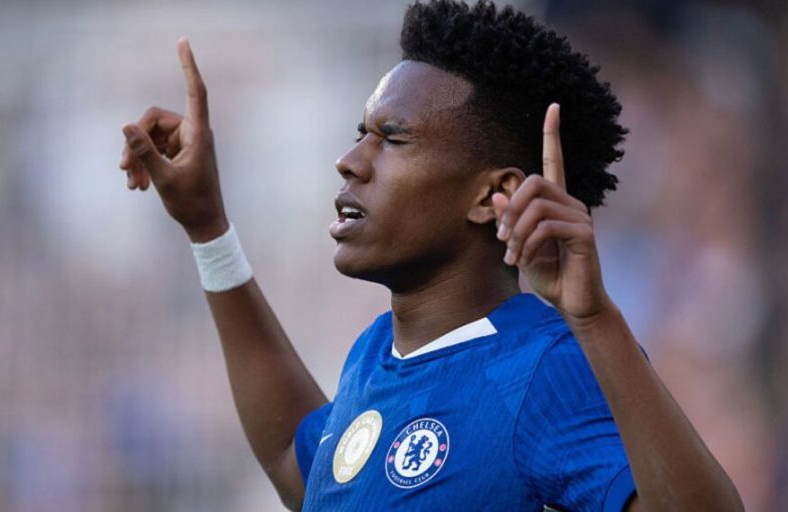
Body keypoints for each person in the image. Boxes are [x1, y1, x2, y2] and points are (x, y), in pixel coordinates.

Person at [118, 1, 743, 510]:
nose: (350, 161)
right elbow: (295, 459)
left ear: (491, 197)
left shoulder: (543, 364)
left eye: (392, 139)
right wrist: (208, 228)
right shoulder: (375, 354)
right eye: (361, 133)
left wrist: (595, 319)